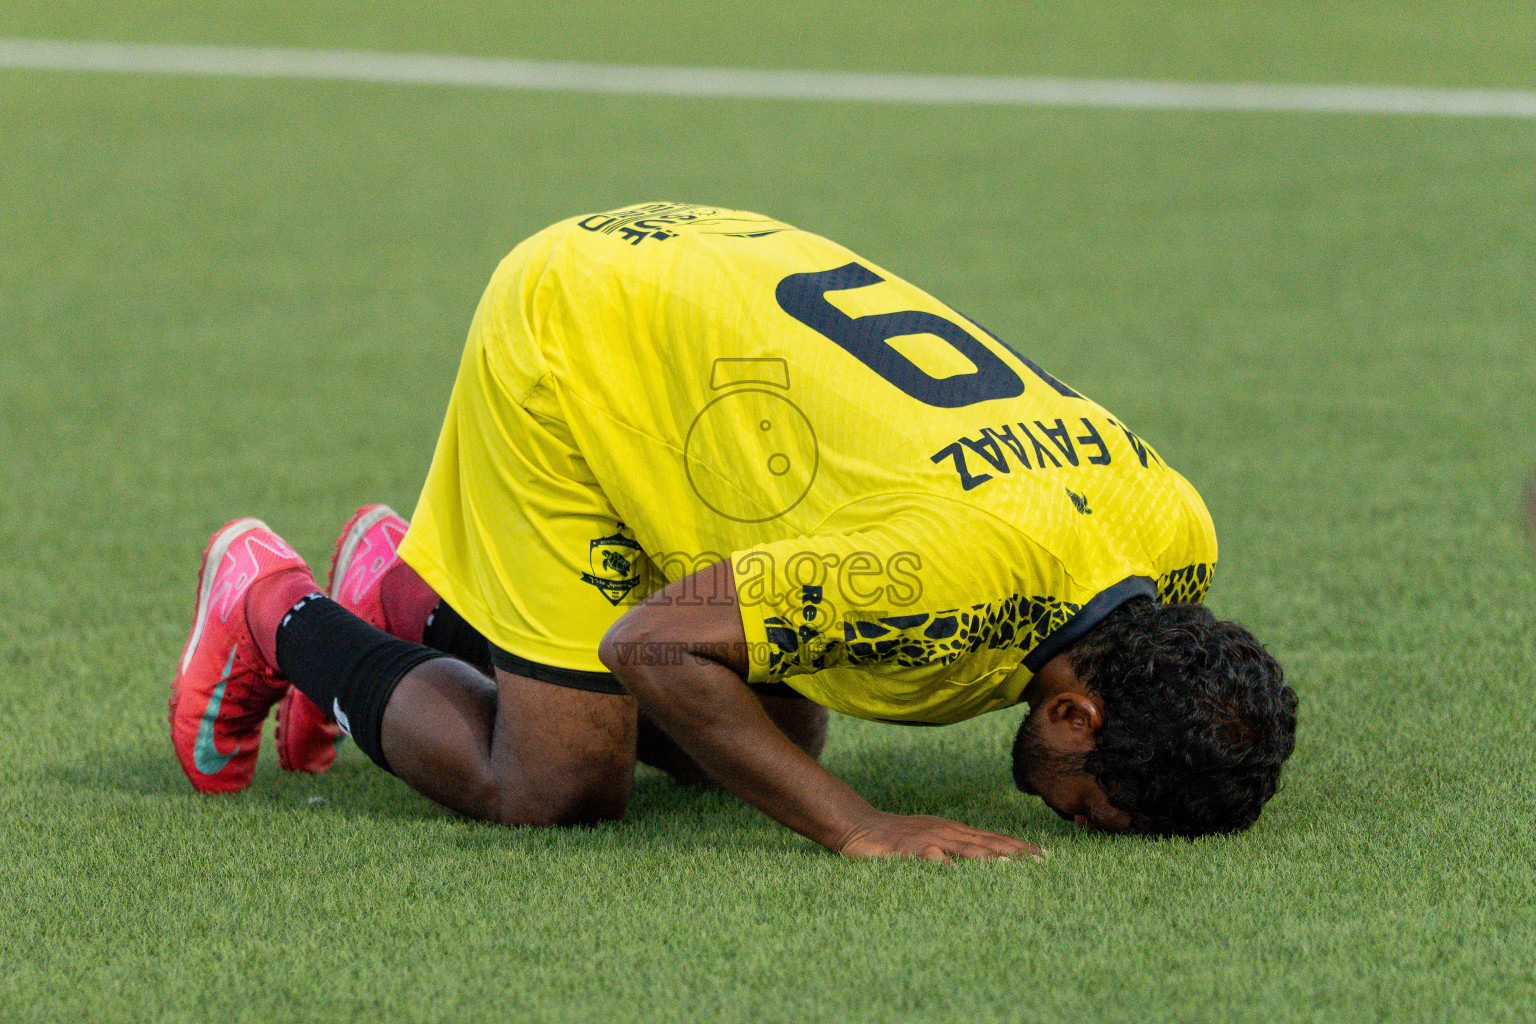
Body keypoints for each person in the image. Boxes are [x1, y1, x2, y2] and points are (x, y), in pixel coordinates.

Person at [168, 202, 1298, 861]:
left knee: (760, 740)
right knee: (558, 788)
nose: (1078, 819)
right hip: (586, 323)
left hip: (717, 307)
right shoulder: (940, 581)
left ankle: (415, 595)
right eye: (1097, 805)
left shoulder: (1175, 535)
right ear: (1074, 712)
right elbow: (652, 644)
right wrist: (855, 825)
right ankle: (272, 606)